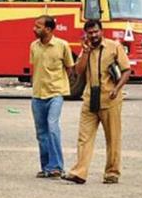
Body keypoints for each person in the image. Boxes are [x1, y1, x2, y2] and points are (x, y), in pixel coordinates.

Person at [62, 20, 131, 184]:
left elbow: (126, 70)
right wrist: (85, 52)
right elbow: (78, 71)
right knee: (84, 137)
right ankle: (80, 172)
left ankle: (112, 172)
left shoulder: (114, 47)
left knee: (113, 137)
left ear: (101, 31)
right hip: (89, 98)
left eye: (95, 32)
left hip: (110, 98)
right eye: (90, 33)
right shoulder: (86, 49)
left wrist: (117, 88)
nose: (93, 35)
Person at [29, 15, 74, 178]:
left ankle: (57, 166)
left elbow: (70, 68)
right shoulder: (34, 46)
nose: (35, 29)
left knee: (52, 127)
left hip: (55, 93)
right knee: (41, 132)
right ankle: (46, 166)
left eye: (38, 26)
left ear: (48, 29)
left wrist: (62, 85)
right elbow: (34, 68)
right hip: (37, 95)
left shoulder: (62, 45)